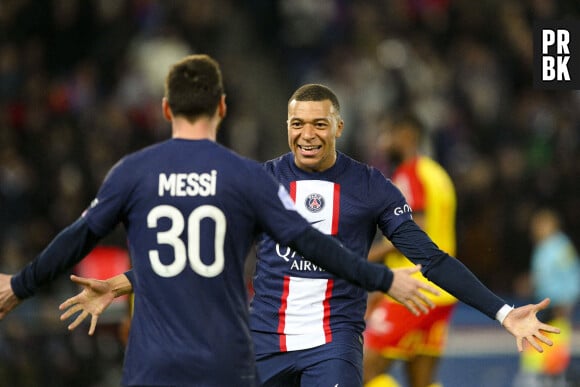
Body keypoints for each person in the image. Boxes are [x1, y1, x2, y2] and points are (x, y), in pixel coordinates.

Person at [59, 83, 560, 387]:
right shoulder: (260, 181)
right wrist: (121, 284)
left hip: (333, 343)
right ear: (287, 125)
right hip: (263, 341)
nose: (307, 134)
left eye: (319, 124)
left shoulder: (372, 188)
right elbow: (201, 256)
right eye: (298, 124)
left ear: (338, 126)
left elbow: (430, 257)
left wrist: (501, 312)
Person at [0, 55, 440, 387]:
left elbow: (79, 237)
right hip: (226, 353)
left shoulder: (133, 171)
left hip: (155, 357)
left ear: (167, 108)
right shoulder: (244, 177)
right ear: (223, 108)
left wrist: (21, 285)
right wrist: (381, 278)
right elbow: (311, 243)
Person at [363, 112, 457, 387]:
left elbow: (416, 229)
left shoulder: (409, 173)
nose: (383, 143)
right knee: (422, 382)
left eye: (388, 134)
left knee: (359, 373)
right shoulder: (438, 174)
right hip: (443, 289)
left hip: (412, 288)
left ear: (406, 135)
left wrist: (367, 257)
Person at [514, 208, 580, 387]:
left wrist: (567, 301)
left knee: (553, 350)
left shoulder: (560, 247)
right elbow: (545, 276)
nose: (535, 229)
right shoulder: (544, 247)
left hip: (556, 307)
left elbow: (573, 275)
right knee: (535, 346)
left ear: (551, 225)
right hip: (543, 305)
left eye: (540, 225)